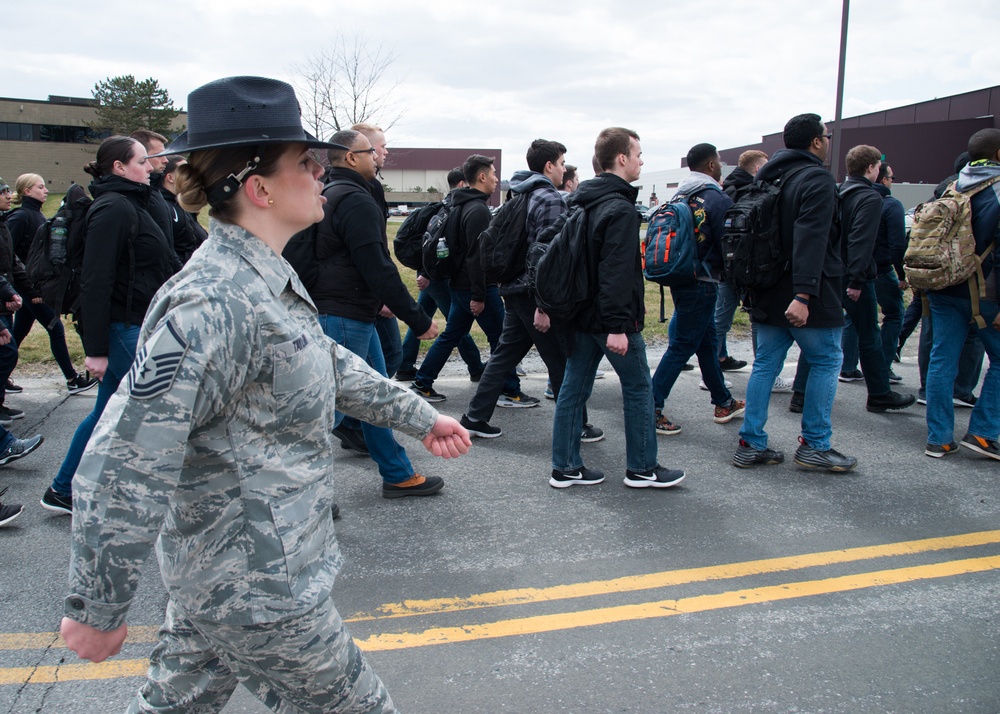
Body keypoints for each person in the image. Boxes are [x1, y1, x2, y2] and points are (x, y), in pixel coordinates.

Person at [59, 76, 471, 713]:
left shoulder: (263, 280)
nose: (320, 172)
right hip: (258, 590)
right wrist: (99, 602)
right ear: (259, 188)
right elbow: (126, 457)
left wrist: (421, 416)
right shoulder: (213, 302)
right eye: (306, 163)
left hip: (230, 574)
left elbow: (326, 362)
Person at [287, 127, 444, 498]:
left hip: (349, 310)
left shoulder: (336, 193)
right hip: (342, 314)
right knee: (327, 412)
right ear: (353, 157)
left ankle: (397, 473)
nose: (380, 156)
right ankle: (302, 494)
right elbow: (376, 264)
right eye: (375, 151)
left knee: (373, 395)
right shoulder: (352, 199)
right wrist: (417, 319)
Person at [40, 135, 176, 515]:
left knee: (108, 409)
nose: (150, 167)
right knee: (162, 400)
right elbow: (95, 281)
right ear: (119, 167)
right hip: (119, 326)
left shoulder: (137, 203)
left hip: (136, 321)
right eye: (142, 161)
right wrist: (97, 350)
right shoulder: (112, 208)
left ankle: (64, 489)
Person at [550, 127, 685, 489]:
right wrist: (618, 326)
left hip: (580, 314)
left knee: (573, 390)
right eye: (638, 154)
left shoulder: (583, 201)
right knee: (640, 389)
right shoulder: (619, 208)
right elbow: (616, 273)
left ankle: (565, 466)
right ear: (622, 158)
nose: (642, 161)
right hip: (609, 319)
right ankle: (642, 467)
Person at [733, 113, 857, 472]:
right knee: (826, 360)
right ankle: (815, 445)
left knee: (765, 365)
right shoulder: (815, 178)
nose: (829, 141)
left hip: (766, 287)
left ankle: (750, 442)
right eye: (826, 135)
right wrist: (803, 295)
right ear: (816, 142)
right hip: (808, 292)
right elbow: (811, 237)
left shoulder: (766, 177)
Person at [460, 139, 601, 442]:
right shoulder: (548, 198)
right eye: (562, 163)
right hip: (533, 293)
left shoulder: (519, 194)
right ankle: (576, 424)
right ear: (549, 166)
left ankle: (474, 416)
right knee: (562, 360)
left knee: (504, 355)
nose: (564, 169)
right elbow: (546, 255)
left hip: (514, 289)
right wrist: (544, 305)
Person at [791, 145, 915, 414]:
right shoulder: (869, 199)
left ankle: (800, 393)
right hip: (853, 276)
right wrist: (857, 280)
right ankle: (880, 393)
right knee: (868, 334)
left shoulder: (837, 192)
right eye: (880, 168)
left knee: (819, 333)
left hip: (829, 272)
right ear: (871, 168)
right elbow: (861, 241)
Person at [411, 154, 532, 406]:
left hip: (460, 286)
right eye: (494, 173)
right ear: (481, 176)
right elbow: (476, 258)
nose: (497, 179)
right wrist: (479, 295)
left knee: (452, 335)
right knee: (501, 338)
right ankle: (509, 391)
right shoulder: (477, 211)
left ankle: (422, 382)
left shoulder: (458, 205)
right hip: (477, 288)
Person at [650, 143, 745, 436]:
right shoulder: (716, 198)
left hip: (680, 275)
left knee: (706, 342)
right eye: (718, 161)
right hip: (703, 280)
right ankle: (649, 407)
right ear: (711, 166)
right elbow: (729, 243)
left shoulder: (681, 194)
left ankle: (723, 401)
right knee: (682, 346)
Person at [924, 128, 1000, 460]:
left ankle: (938, 438)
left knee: (943, 359)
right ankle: (983, 432)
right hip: (985, 290)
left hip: (942, 285)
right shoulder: (996, 190)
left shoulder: (948, 186)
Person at [6, 174, 99, 396]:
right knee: (54, 328)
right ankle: (72, 379)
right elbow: (8, 253)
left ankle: (2, 375)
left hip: (32, 286)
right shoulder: (20, 217)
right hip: (28, 287)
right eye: (40, 187)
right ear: (27, 191)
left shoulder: (36, 215)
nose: (45, 190)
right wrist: (30, 288)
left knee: (17, 332)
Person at [395, 167, 485, 383]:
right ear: (463, 184)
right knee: (456, 325)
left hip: (430, 273)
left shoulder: (442, 206)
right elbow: (438, 245)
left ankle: (406, 365)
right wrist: (427, 273)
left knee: (423, 317)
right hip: (435, 275)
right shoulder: (450, 209)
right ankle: (475, 366)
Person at [159, 155, 208, 264]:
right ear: (170, 178)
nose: (191, 177)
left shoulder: (183, 205)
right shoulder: (164, 207)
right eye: (184, 172)